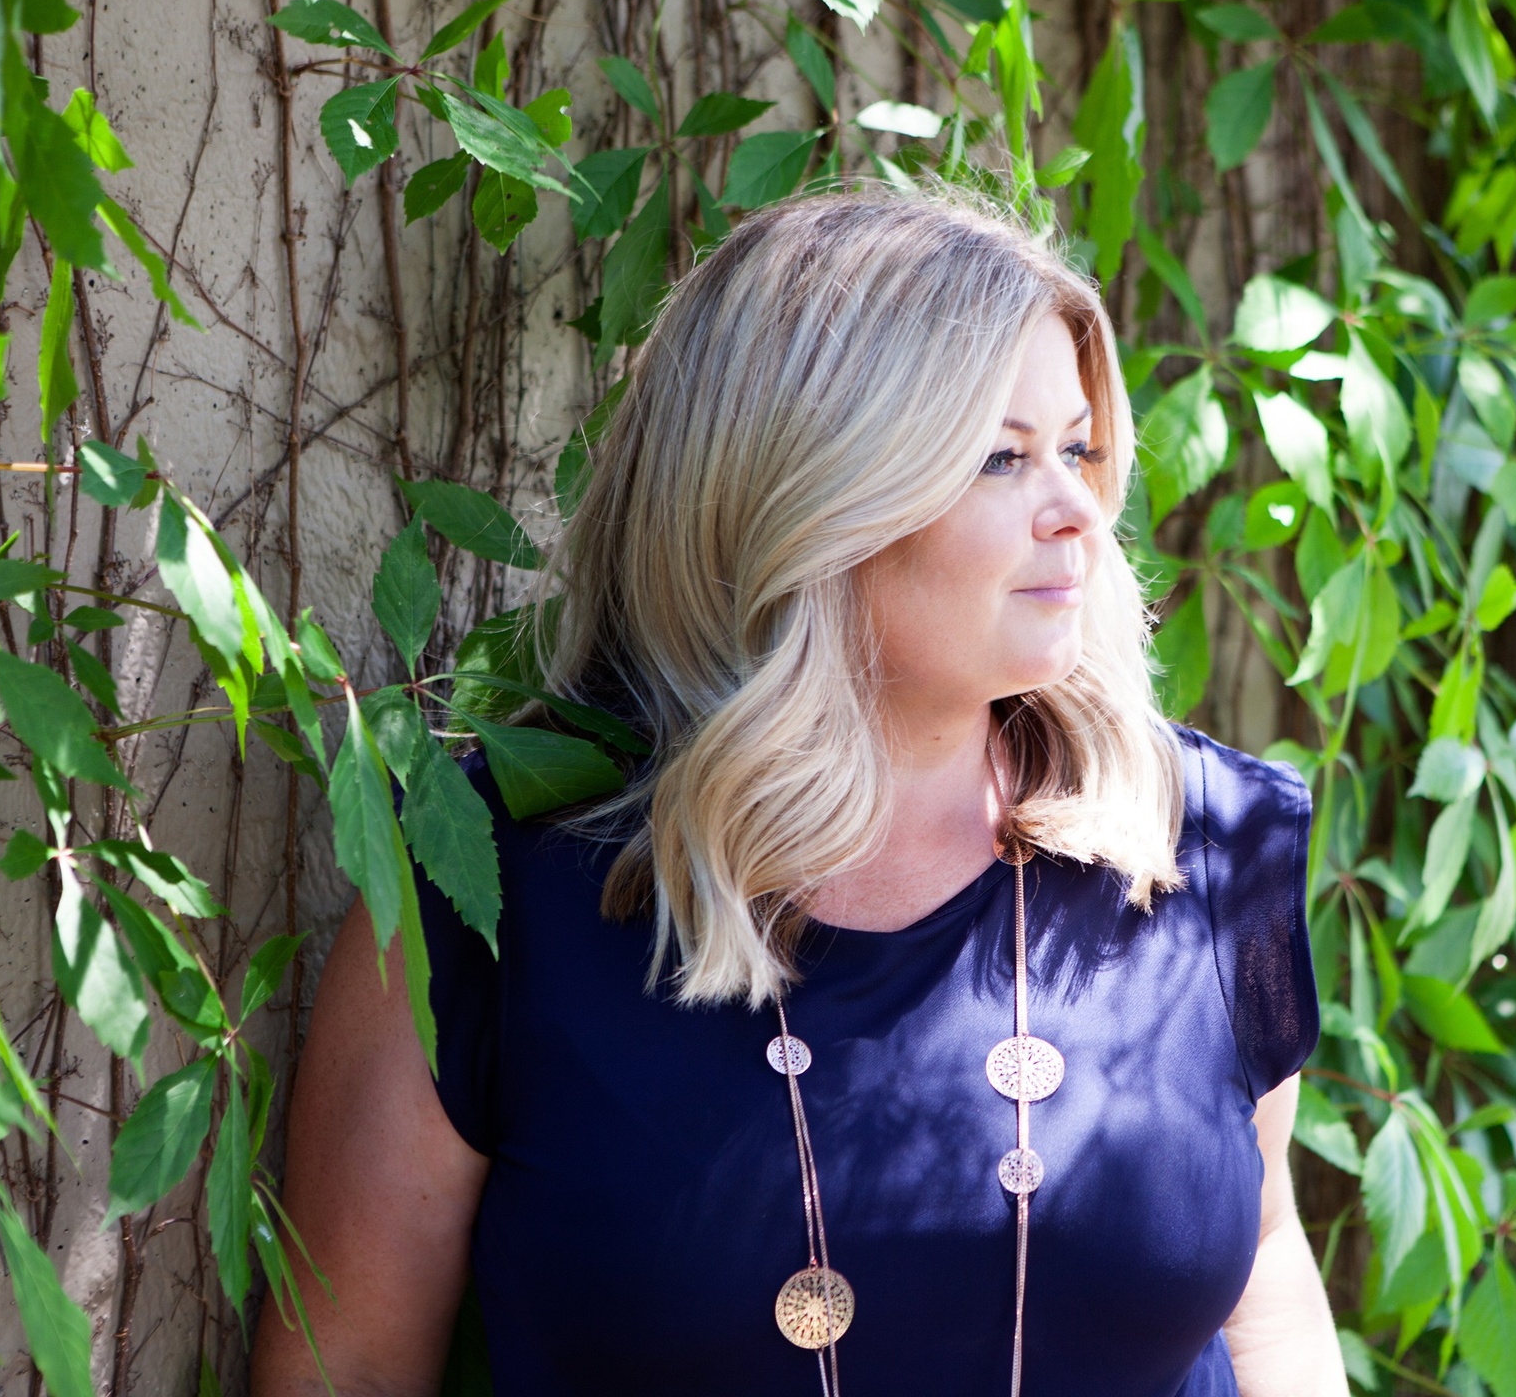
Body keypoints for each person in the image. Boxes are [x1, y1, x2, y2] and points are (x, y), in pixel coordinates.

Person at [250, 188, 1347, 1397]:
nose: (1082, 510)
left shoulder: (1203, 843)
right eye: (1001, 456)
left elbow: (1262, 1267)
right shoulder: (490, 892)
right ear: (802, 499)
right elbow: (349, 1369)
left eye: (1078, 449)